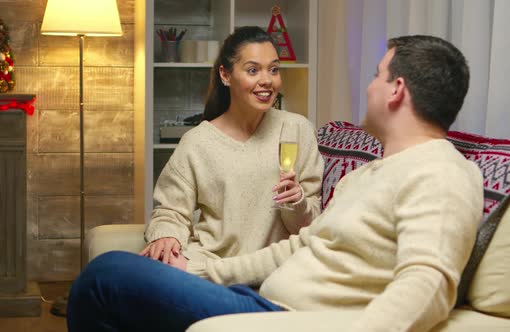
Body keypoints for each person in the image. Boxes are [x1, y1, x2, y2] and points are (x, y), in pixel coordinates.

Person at [67, 35, 483, 332]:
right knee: (118, 285)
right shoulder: (369, 173)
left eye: (376, 75)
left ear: (396, 90)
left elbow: (427, 285)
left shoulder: (441, 173)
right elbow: (301, 246)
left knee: (106, 276)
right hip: (264, 299)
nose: (368, 85)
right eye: (253, 69)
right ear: (227, 76)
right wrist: (206, 272)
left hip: (287, 316)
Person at [140, 26, 324, 270]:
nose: (267, 80)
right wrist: (166, 235)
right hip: (211, 263)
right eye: (252, 70)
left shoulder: (297, 129)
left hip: (274, 269)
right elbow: (170, 210)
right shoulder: (197, 142)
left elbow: (312, 227)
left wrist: (297, 201)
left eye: (274, 69)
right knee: (121, 270)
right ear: (225, 75)